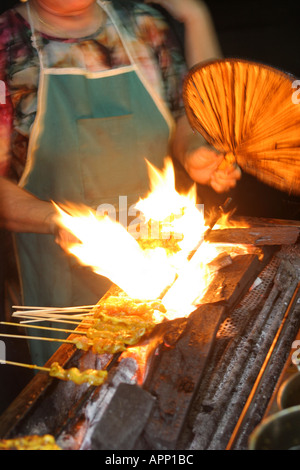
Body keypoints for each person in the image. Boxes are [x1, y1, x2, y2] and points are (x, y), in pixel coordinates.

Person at [0, 0, 241, 365]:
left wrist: (194, 151)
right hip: (58, 275)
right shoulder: (8, 44)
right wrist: (60, 220)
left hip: (162, 260)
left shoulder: (144, 25)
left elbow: (183, 117)